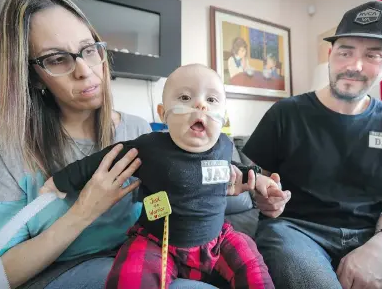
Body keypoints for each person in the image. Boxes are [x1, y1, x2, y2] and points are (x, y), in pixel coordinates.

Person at [0, 0, 236, 289]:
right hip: (64, 272)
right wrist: (83, 211)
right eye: (56, 59)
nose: (84, 70)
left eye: (89, 50)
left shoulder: (136, 129)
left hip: (144, 252)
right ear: (34, 76)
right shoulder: (9, 151)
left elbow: (159, 203)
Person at [42, 63, 277, 289]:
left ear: (222, 117)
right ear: (163, 114)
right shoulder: (150, 147)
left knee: (253, 266)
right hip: (158, 242)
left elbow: (235, 169)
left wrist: (260, 179)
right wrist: (60, 181)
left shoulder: (224, 146)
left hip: (217, 239)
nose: (200, 105)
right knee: (131, 277)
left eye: (211, 100)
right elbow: (104, 160)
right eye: (185, 98)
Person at [243, 0, 382, 289]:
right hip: (295, 231)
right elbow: (250, 181)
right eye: (345, 52)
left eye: (373, 55)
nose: (354, 66)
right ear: (330, 53)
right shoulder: (285, 113)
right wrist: (263, 194)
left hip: (372, 232)